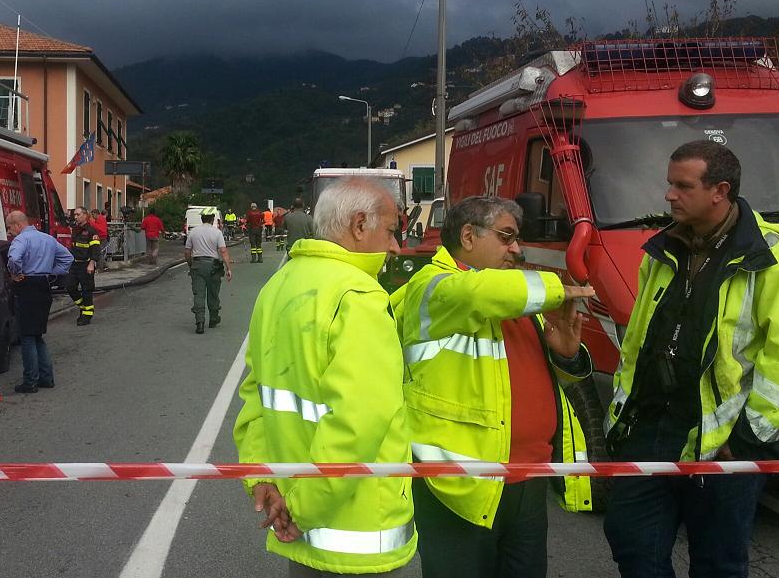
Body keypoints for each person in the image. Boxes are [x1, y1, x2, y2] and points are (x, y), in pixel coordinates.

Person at [603, 141, 779, 578]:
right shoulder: (662, 249)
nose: (669, 195)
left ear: (719, 190)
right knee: (633, 547)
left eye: (682, 186)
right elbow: (639, 342)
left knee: (718, 564)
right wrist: (622, 419)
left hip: (722, 440)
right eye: (670, 184)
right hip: (648, 429)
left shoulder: (773, 259)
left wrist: (747, 439)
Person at [389, 196, 596, 578]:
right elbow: (476, 294)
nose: (516, 249)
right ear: (468, 236)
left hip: (527, 481)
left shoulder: (511, 298)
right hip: (459, 484)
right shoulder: (434, 288)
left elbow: (527, 381)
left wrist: (566, 357)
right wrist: (560, 288)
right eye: (506, 237)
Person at [233, 178, 416, 577]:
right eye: (390, 231)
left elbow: (256, 398)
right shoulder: (359, 298)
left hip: (298, 527)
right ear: (359, 224)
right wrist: (302, 508)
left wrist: (260, 478)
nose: (395, 246)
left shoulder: (277, 287)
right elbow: (356, 424)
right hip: (361, 533)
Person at [6, 210, 73, 393]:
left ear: (18, 225)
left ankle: (30, 381)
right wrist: (52, 271)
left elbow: (14, 258)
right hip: (43, 286)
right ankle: (46, 377)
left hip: (26, 286)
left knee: (27, 335)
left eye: (9, 228)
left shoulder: (21, 240)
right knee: (37, 334)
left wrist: (16, 272)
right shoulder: (48, 239)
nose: (9, 232)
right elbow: (68, 258)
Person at [184, 207, 232, 334]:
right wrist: (228, 268)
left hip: (197, 265)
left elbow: (187, 251)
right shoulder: (217, 233)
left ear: (201, 219)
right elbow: (223, 251)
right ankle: (214, 318)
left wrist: (190, 264)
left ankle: (200, 322)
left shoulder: (193, 232)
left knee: (198, 294)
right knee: (213, 293)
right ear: (212, 219)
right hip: (213, 267)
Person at [66, 208, 101, 326]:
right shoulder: (75, 230)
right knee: (70, 287)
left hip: (86, 264)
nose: (75, 217)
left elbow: (96, 250)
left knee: (86, 290)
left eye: (78, 214)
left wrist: (92, 263)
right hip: (74, 264)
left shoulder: (92, 231)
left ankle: (87, 315)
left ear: (85, 215)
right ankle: (83, 307)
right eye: (74, 214)